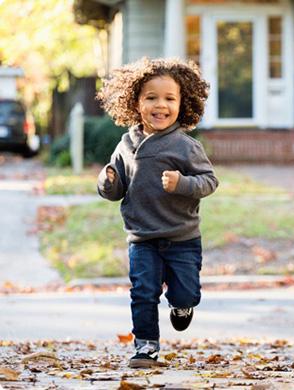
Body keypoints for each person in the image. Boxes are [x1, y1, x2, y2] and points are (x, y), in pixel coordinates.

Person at [96, 57, 218, 368]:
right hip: (142, 237)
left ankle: (182, 305)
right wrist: (107, 181)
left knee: (186, 292)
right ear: (135, 102)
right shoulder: (126, 145)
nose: (159, 105)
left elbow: (209, 181)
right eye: (151, 97)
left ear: (182, 103)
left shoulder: (185, 146)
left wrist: (182, 183)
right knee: (143, 292)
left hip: (182, 237)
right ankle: (146, 345)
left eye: (169, 98)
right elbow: (116, 190)